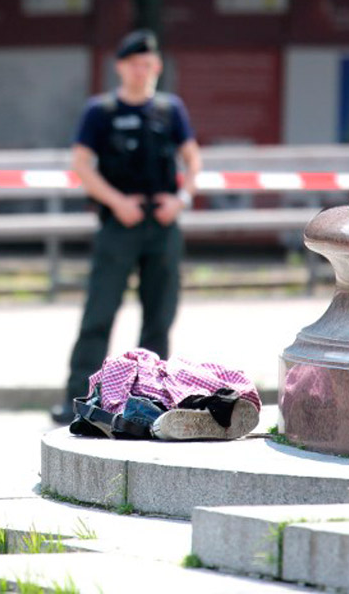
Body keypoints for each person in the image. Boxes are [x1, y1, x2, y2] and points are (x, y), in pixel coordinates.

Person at [51, 29, 202, 424]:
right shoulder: (100, 112)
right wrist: (116, 202)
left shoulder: (171, 110)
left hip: (162, 224)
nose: (142, 70)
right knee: (99, 313)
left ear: (158, 67)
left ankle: (149, 403)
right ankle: (77, 400)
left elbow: (193, 160)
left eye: (149, 64)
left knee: (159, 318)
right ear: (121, 67)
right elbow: (82, 165)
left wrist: (180, 199)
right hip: (119, 225)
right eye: (135, 63)